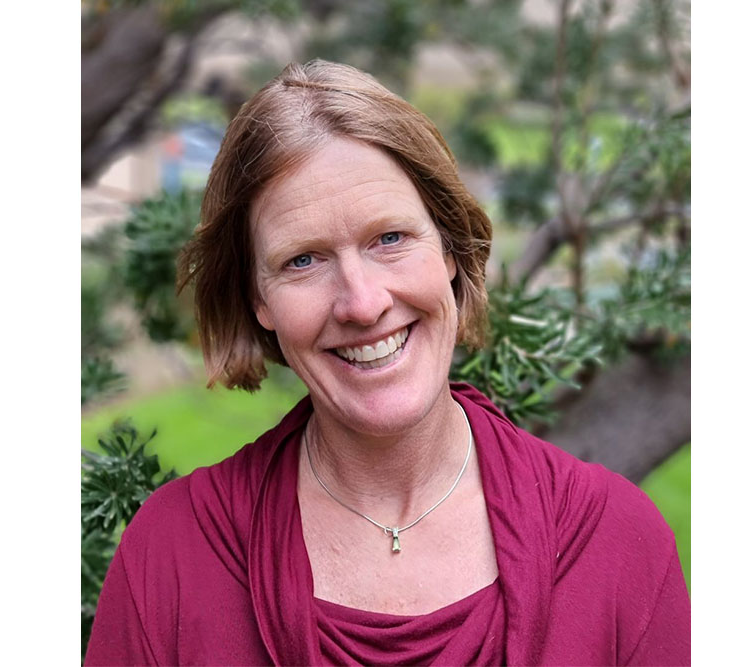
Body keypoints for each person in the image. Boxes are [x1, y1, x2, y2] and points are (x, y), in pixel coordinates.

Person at [85, 59, 690, 666]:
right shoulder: (171, 558)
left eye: (390, 239)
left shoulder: (619, 543)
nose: (363, 303)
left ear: (451, 249)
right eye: (303, 260)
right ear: (257, 299)